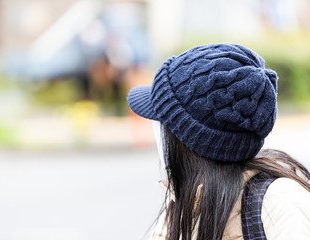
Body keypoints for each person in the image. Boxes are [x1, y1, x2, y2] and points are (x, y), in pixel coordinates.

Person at [127, 43, 310, 240]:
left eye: (162, 123)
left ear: (189, 141)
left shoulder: (280, 205)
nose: (159, 135)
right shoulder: (183, 205)